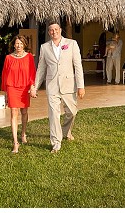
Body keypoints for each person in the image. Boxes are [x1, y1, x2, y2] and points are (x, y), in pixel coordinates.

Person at [30, 22, 85, 153]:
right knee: (54, 114)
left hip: (69, 85)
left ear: (60, 30)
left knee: (72, 112)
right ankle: (56, 143)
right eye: (51, 30)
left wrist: (81, 86)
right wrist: (35, 87)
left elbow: (78, 66)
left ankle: (66, 131)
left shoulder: (72, 44)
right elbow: (41, 69)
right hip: (52, 86)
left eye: (56, 29)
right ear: (49, 33)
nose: (54, 32)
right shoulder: (44, 47)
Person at [0, 35, 36, 153]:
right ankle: (15, 142)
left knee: (24, 112)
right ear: (13, 45)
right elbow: (5, 75)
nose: (18, 46)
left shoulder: (29, 57)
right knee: (13, 113)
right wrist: (5, 93)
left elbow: (32, 73)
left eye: (21, 43)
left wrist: (32, 86)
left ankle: (23, 133)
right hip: (12, 87)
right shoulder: (8, 58)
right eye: (17, 43)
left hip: (25, 87)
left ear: (24, 44)